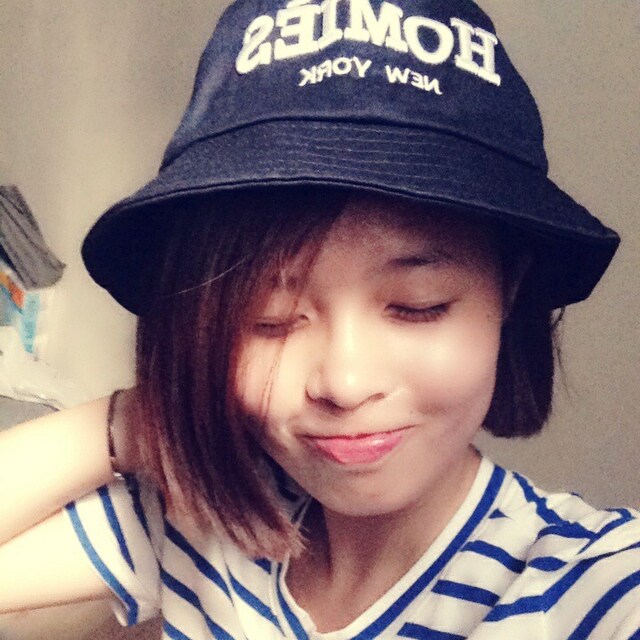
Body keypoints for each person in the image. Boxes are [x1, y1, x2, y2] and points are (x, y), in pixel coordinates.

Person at [1, 0, 638, 638]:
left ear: (508, 291)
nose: (345, 383)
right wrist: (156, 414)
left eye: (418, 307)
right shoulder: (206, 516)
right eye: (268, 317)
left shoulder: (590, 587)